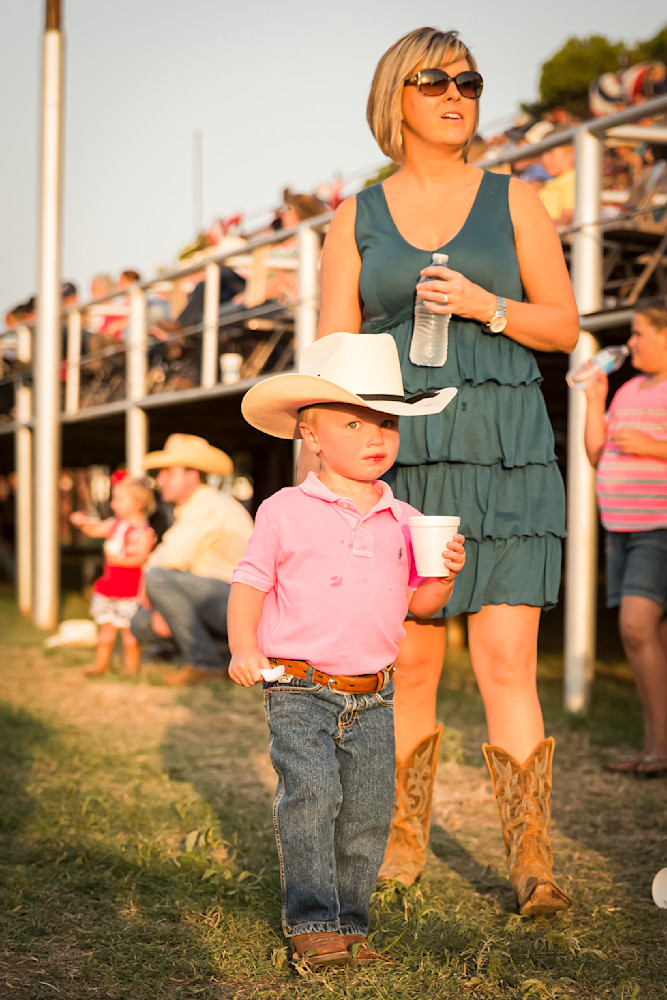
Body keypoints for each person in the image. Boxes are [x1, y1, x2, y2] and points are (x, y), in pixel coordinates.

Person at [314, 27, 579, 916]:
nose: (456, 93)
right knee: (413, 664)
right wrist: (332, 477)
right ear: (398, 99)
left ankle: (530, 862)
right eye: (435, 81)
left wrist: (486, 305)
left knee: (507, 660)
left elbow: (565, 327)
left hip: (508, 451)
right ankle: (402, 844)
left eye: (468, 80)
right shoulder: (356, 215)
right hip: (405, 456)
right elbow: (330, 355)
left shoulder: (518, 201)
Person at [228, 332, 464, 967]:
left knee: (365, 811)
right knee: (311, 799)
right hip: (300, 685)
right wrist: (241, 646)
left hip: (375, 692)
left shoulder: (405, 516)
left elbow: (422, 606)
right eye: (354, 422)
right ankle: (312, 922)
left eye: (386, 422)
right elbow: (251, 581)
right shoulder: (283, 510)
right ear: (310, 433)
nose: (374, 437)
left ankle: (350, 924)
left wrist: (442, 573)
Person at [583, 301, 667, 777]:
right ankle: (655, 744)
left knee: (636, 628)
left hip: (658, 525)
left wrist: (653, 447)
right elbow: (597, 452)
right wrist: (595, 404)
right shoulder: (629, 389)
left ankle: (658, 749)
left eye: (639, 334)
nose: (631, 343)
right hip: (621, 526)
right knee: (650, 637)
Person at [129, 434, 254, 686]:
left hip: (240, 603)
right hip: (216, 600)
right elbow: (165, 556)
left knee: (158, 579)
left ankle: (204, 663)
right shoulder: (195, 507)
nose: (160, 479)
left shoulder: (209, 506)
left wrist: (155, 592)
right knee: (140, 623)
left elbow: (171, 561)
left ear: (192, 475)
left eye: (168, 472)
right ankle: (224, 656)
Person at [70, 472, 156, 677]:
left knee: (130, 635)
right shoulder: (114, 525)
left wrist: (118, 561)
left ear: (137, 503)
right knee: (105, 631)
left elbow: (140, 559)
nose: (113, 504)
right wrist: (81, 522)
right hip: (110, 587)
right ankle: (101, 664)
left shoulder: (144, 532)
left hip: (131, 590)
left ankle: (131, 668)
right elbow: (93, 530)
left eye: (118, 500)